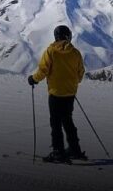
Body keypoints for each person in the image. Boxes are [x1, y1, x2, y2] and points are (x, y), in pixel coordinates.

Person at [27, 25, 86, 163]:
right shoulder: (75, 53)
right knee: (68, 121)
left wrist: (33, 79)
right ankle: (74, 149)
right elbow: (81, 73)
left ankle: (58, 152)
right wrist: (72, 83)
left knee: (56, 123)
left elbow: (43, 71)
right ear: (67, 36)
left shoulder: (51, 51)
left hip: (55, 94)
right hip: (70, 93)